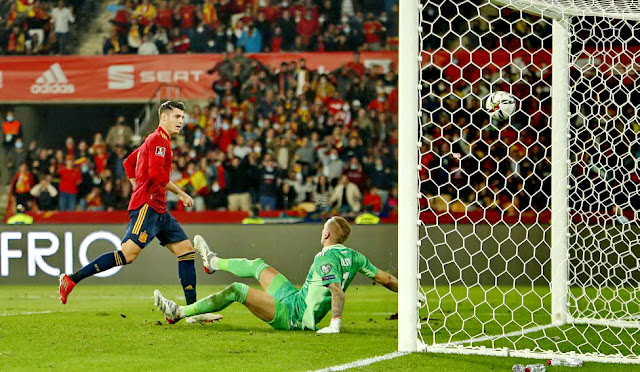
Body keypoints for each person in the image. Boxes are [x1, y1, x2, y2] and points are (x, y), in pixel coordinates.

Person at [59, 101, 199, 312]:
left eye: (182, 117)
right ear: (163, 118)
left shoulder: (151, 141)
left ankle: (192, 311)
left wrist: (137, 186)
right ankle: (71, 279)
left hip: (158, 209)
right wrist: (181, 193)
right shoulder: (159, 140)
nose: (181, 121)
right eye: (177, 116)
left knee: (186, 251)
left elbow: (127, 163)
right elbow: (157, 174)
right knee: (127, 255)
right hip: (148, 207)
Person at [153, 216, 398, 334]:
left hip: (295, 316)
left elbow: (336, 290)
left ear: (325, 235)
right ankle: (213, 262)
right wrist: (409, 293)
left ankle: (179, 312)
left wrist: (335, 324)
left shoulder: (325, 258)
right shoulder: (356, 256)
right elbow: (386, 279)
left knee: (238, 290)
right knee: (258, 265)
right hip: (295, 298)